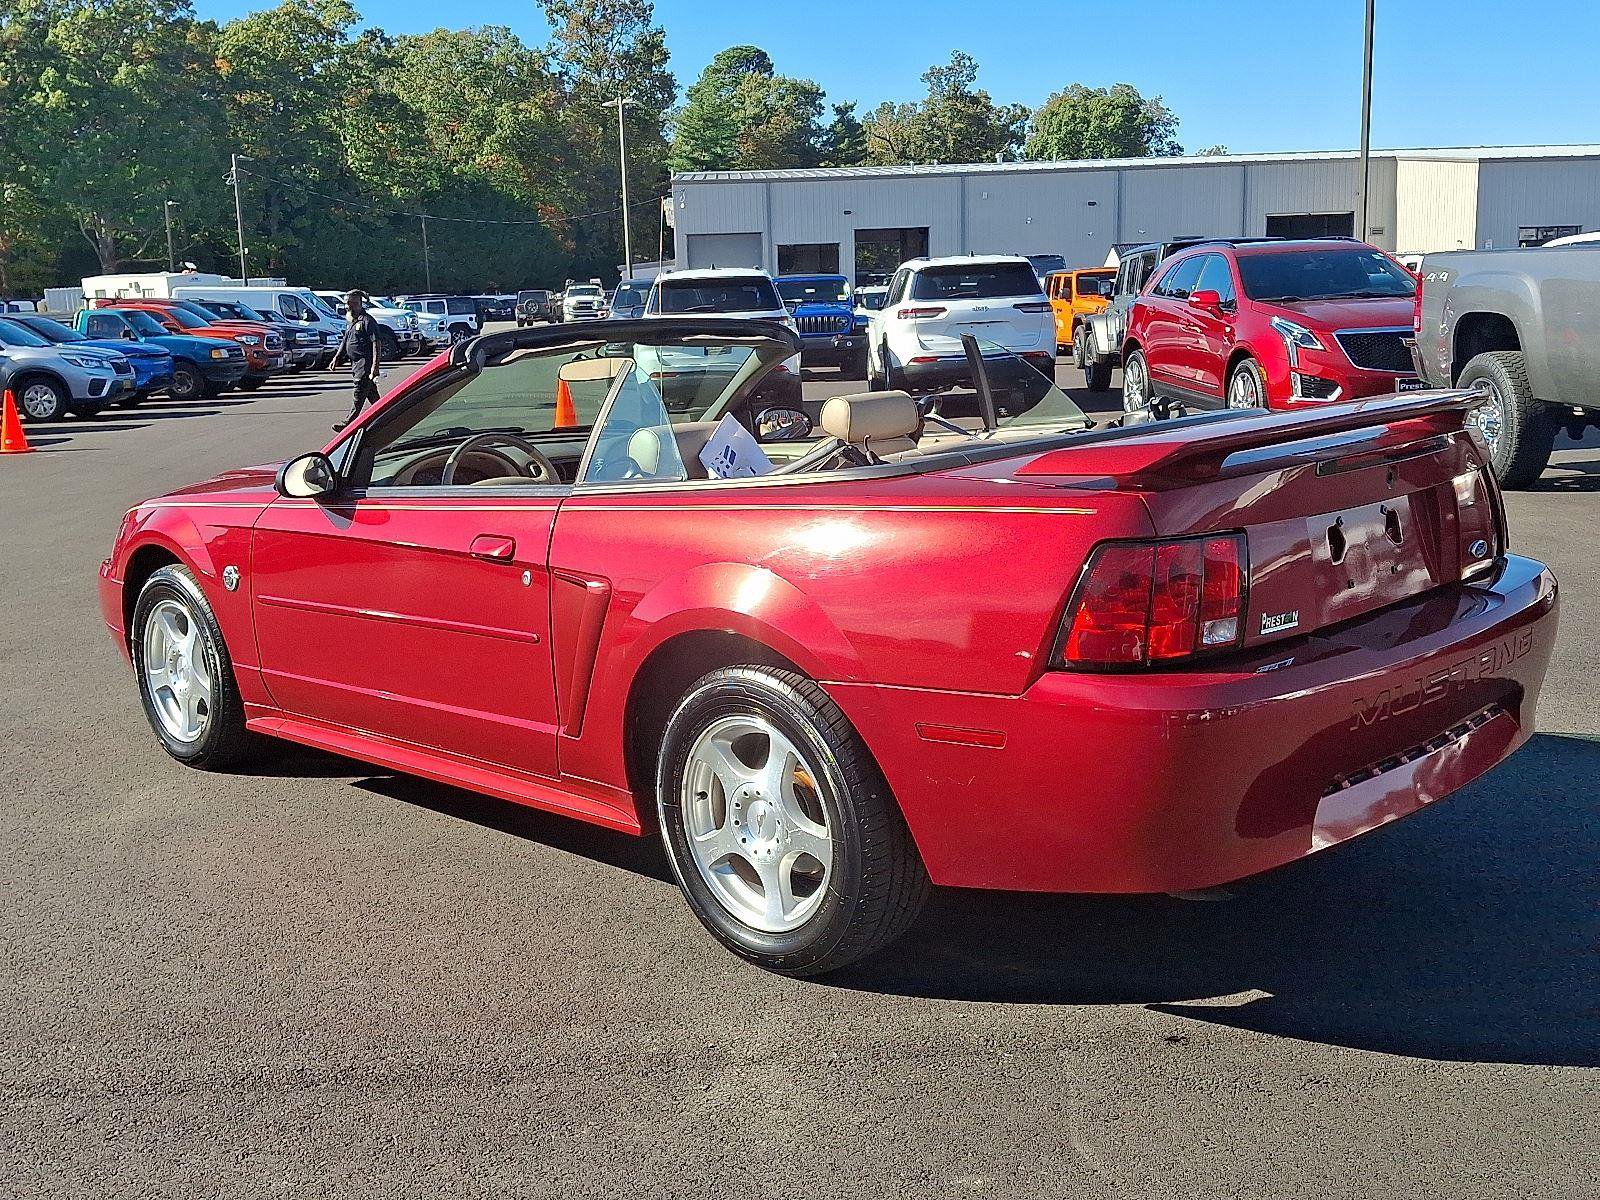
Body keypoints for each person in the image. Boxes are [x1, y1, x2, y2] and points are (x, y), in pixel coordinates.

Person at [331, 290, 382, 431]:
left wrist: (375, 367)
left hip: (364, 365)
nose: (349, 307)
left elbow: (376, 343)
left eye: (353, 304)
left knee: (359, 393)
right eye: (347, 304)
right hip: (355, 365)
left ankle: (348, 424)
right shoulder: (353, 321)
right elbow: (346, 340)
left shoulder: (367, 321)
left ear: (360, 304)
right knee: (373, 397)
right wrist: (337, 357)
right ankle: (387, 416)